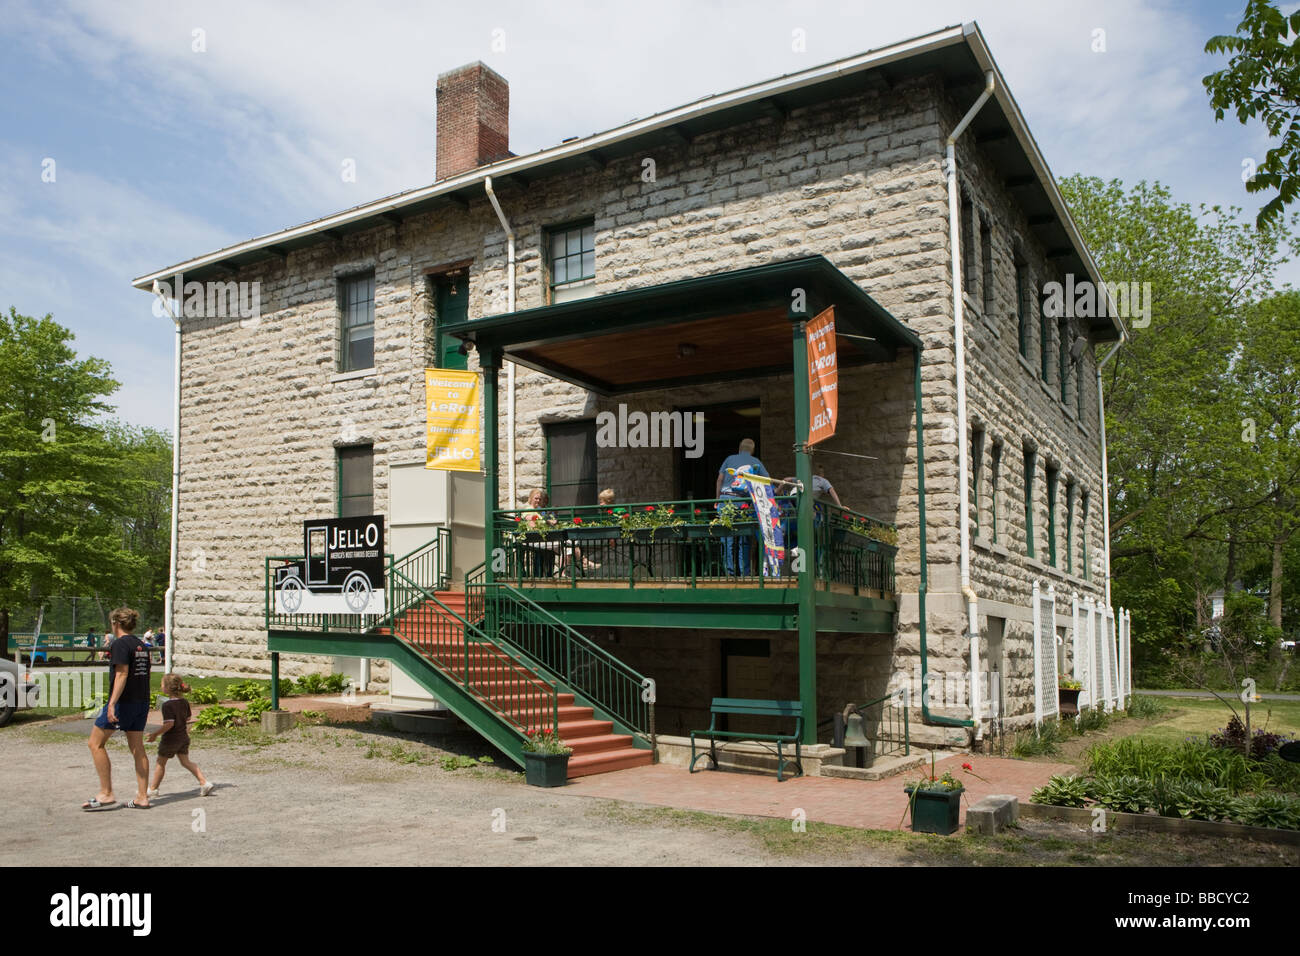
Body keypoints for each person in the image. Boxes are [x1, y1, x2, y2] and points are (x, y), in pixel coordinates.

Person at [82, 607, 152, 811]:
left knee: (95, 743)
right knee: (137, 747)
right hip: (141, 701)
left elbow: (121, 675)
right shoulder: (141, 645)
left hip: (124, 702)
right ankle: (142, 797)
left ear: (116, 623)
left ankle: (106, 793)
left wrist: (111, 704)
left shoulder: (119, 644)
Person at [146, 674, 213, 799]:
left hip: (170, 739)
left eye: (162, 684)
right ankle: (204, 782)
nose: (160, 686)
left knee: (160, 763)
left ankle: (153, 789)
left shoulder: (167, 705)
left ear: (167, 688)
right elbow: (187, 718)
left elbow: (169, 724)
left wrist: (155, 734)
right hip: (183, 737)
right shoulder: (185, 702)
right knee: (186, 762)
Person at [716, 439, 769, 575]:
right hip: (743, 503)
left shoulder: (729, 459)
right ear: (752, 450)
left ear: (739, 449)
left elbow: (720, 480)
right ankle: (744, 573)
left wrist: (717, 500)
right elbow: (767, 480)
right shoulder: (755, 461)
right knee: (744, 538)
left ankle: (729, 572)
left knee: (726, 538)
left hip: (725, 499)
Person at [521, 488, 558, 577]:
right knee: (558, 545)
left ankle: (548, 574)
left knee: (557, 545)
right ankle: (543, 574)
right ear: (531, 498)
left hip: (541, 537)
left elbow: (542, 521)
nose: (538, 500)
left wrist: (550, 522)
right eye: (536, 498)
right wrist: (545, 525)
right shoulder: (528, 509)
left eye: (539, 499)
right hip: (534, 538)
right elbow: (532, 524)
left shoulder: (538, 511)